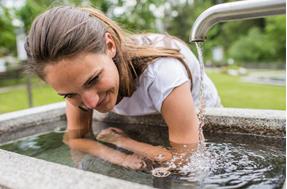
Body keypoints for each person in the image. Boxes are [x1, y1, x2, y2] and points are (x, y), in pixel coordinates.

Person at [25, 6, 221, 170]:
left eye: (93, 80)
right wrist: (120, 157)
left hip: (196, 118)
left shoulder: (162, 73)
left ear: (110, 46)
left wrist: (124, 142)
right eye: (69, 94)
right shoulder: (76, 80)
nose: (90, 103)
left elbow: (188, 161)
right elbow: (74, 139)